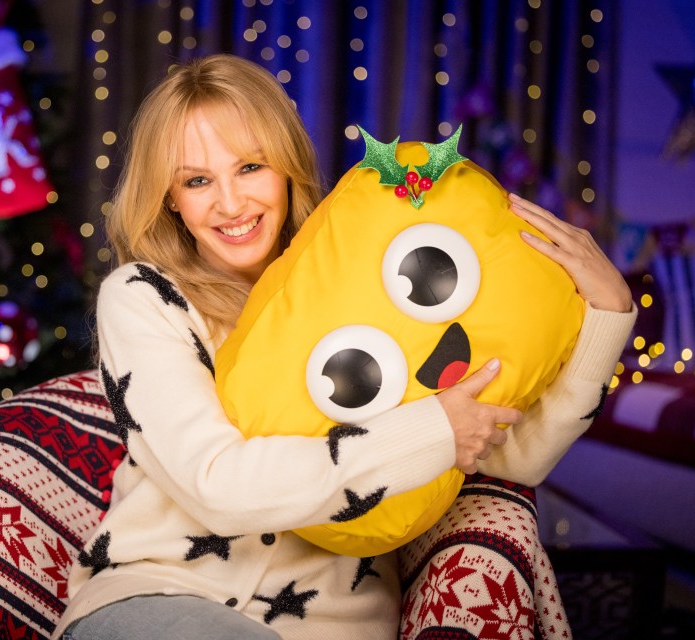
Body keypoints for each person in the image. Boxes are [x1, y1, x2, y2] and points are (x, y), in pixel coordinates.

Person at [55, 54, 636, 640]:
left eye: (251, 167)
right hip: (156, 598)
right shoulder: (145, 297)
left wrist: (607, 318)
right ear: (170, 198)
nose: (230, 204)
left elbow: (515, 455)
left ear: (286, 168)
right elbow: (217, 485)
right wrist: (429, 430)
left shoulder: (365, 278)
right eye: (197, 180)